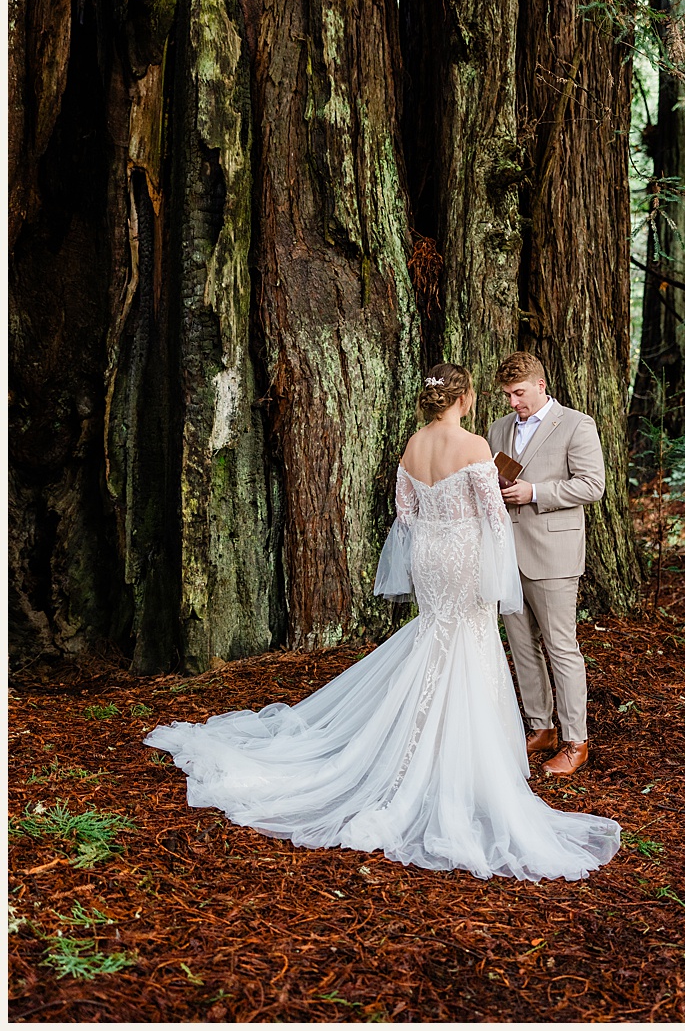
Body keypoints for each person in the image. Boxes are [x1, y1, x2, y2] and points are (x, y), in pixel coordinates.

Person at [147, 364, 620, 881]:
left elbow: (406, 513)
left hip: (432, 555)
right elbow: (492, 518)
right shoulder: (478, 446)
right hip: (464, 556)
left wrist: (440, 536)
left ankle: (432, 741)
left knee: (438, 641)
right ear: (464, 400)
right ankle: (468, 755)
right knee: (470, 645)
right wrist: (488, 566)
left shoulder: (414, 445)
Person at [486, 351, 607, 775]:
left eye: (518, 393)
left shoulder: (576, 424)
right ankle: (541, 728)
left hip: (554, 554)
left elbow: (593, 485)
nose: (512, 402)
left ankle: (577, 740)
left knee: (561, 647)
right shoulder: (498, 429)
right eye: (507, 395)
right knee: (522, 646)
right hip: (507, 554)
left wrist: (535, 492)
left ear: (540, 385)